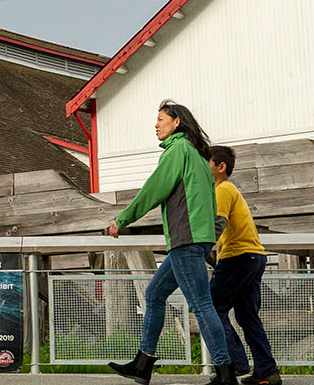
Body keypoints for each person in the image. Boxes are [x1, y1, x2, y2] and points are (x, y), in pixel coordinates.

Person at [106, 100, 234, 385]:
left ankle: (226, 374)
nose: (156, 124)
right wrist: (207, 241)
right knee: (154, 295)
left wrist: (123, 219)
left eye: (161, 119)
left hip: (185, 240)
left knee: (201, 304)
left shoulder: (178, 151)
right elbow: (212, 205)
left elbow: (154, 190)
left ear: (177, 122)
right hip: (194, 240)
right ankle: (143, 362)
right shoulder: (200, 157)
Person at [207, 145, 278, 385]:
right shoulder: (231, 190)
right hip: (254, 256)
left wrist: (200, 250)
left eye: (207, 163)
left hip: (237, 257)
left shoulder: (222, 189)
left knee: (211, 308)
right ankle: (267, 371)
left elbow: (217, 224)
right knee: (247, 316)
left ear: (221, 167)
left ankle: (234, 364)